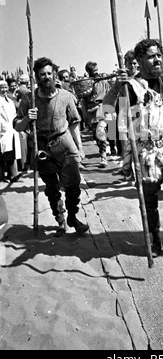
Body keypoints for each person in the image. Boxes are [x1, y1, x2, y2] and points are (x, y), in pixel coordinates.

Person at [107, 38, 163, 258]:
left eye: (159, 55)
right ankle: (155, 240)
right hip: (145, 152)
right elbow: (107, 108)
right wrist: (117, 86)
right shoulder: (131, 86)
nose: (157, 59)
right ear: (139, 60)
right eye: (151, 56)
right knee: (149, 201)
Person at [14, 57, 88, 237]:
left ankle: (73, 217)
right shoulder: (28, 98)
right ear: (36, 77)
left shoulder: (66, 96)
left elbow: (75, 123)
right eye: (42, 75)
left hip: (64, 143)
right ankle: (60, 221)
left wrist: (79, 147)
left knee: (73, 186)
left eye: (49, 73)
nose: (46, 77)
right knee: (52, 189)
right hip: (42, 148)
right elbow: (17, 127)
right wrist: (27, 119)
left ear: (54, 75)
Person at [83, 61, 110, 168]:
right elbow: (83, 99)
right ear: (88, 71)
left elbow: (109, 95)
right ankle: (102, 150)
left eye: (97, 70)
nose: (96, 73)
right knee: (96, 134)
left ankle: (103, 156)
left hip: (101, 108)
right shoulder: (85, 83)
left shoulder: (104, 82)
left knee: (101, 132)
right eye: (94, 71)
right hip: (91, 111)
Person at [0, 80, 21, 183]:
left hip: (11, 129)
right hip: (2, 129)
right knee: (2, 154)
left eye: (5, 87)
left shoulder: (10, 100)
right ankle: (1, 176)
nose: (4, 90)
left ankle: (12, 174)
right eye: (1, 87)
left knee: (11, 153)